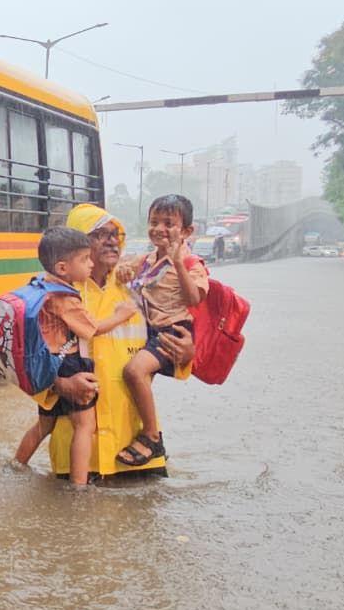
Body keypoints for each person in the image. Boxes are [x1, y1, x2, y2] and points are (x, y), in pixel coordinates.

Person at [14, 204, 195, 478]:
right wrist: (61, 385)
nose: (112, 241)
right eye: (100, 234)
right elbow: (21, 360)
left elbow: (175, 328)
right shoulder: (53, 295)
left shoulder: (137, 287)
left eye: (116, 234)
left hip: (135, 454)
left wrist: (189, 351)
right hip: (78, 463)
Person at [15, 228, 137, 485]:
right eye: (85, 259)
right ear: (62, 268)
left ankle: (17, 463)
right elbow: (92, 330)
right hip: (69, 365)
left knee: (44, 426)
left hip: (49, 364)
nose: (91, 263)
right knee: (84, 426)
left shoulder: (41, 285)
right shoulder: (65, 299)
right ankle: (78, 486)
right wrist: (121, 315)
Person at [116, 195, 208, 466]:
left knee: (133, 372)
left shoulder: (192, 263)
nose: (159, 229)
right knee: (137, 385)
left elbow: (194, 299)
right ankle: (142, 438)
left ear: (187, 231)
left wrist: (177, 262)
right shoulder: (145, 260)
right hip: (148, 330)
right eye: (154, 222)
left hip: (172, 331)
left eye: (169, 223)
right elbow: (121, 272)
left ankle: (152, 437)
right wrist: (122, 272)